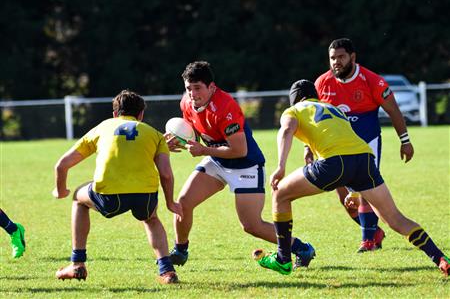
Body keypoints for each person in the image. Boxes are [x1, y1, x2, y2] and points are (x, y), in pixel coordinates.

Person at [253, 79, 449, 277]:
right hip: (364, 160)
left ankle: (283, 259)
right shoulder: (332, 108)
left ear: (294, 99)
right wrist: (353, 191)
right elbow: (346, 148)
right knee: (396, 219)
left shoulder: (294, 110)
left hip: (334, 162)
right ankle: (441, 258)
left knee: (280, 194)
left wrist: (280, 167)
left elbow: (286, 130)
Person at [165, 61, 315, 270]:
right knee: (183, 203)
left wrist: (204, 150)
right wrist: (177, 140)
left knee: (251, 226)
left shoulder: (225, 106)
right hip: (217, 160)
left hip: (245, 165)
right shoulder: (186, 103)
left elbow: (239, 150)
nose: (192, 94)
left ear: (211, 87)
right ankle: (180, 251)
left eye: (197, 88)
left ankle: (301, 247)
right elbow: (192, 129)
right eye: (188, 88)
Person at [52, 90, 182, 284]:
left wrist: (60, 190)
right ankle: (167, 271)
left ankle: (77, 264)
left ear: (115, 114)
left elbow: (61, 165)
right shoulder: (155, 135)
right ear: (141, 115)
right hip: (144, 196)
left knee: (79, 200)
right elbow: (166, 174)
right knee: (151, 218)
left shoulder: (103, 127)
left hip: (108, 196)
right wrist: (170, 202)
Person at [314, 38, 414, 252]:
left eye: (341, 57)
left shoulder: (372, 81)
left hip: (367, 144)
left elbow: (394, 111)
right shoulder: (322, 83)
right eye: (332, 58)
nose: (336, 62)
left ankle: (368, 240)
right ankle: (374, 231)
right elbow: (314, 119)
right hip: (336, 147)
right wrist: (308, 148)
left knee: (364, 188)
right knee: (345, 199)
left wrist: (405, 141)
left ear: (353, 57)